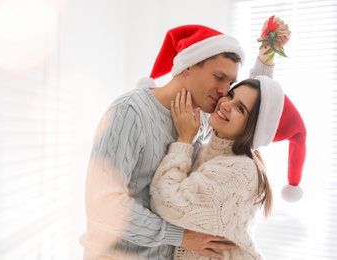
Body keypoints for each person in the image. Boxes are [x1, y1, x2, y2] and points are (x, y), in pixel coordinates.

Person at [80, 17, 291, 259]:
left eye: (230, 83)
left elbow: (250, 117)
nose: (225, 91)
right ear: (189, 66)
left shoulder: (198, 120)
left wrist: (266, 58)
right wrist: (179, 235)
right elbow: (102, 203)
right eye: (218, 77)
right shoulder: (130, 112)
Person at [150, 76, 307, 259]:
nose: (225, 104)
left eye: (240, 108)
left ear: (253, 128)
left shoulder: (241, 171)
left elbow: (166, 202)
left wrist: (184, 140)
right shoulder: (208, 151)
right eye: (231, 95)